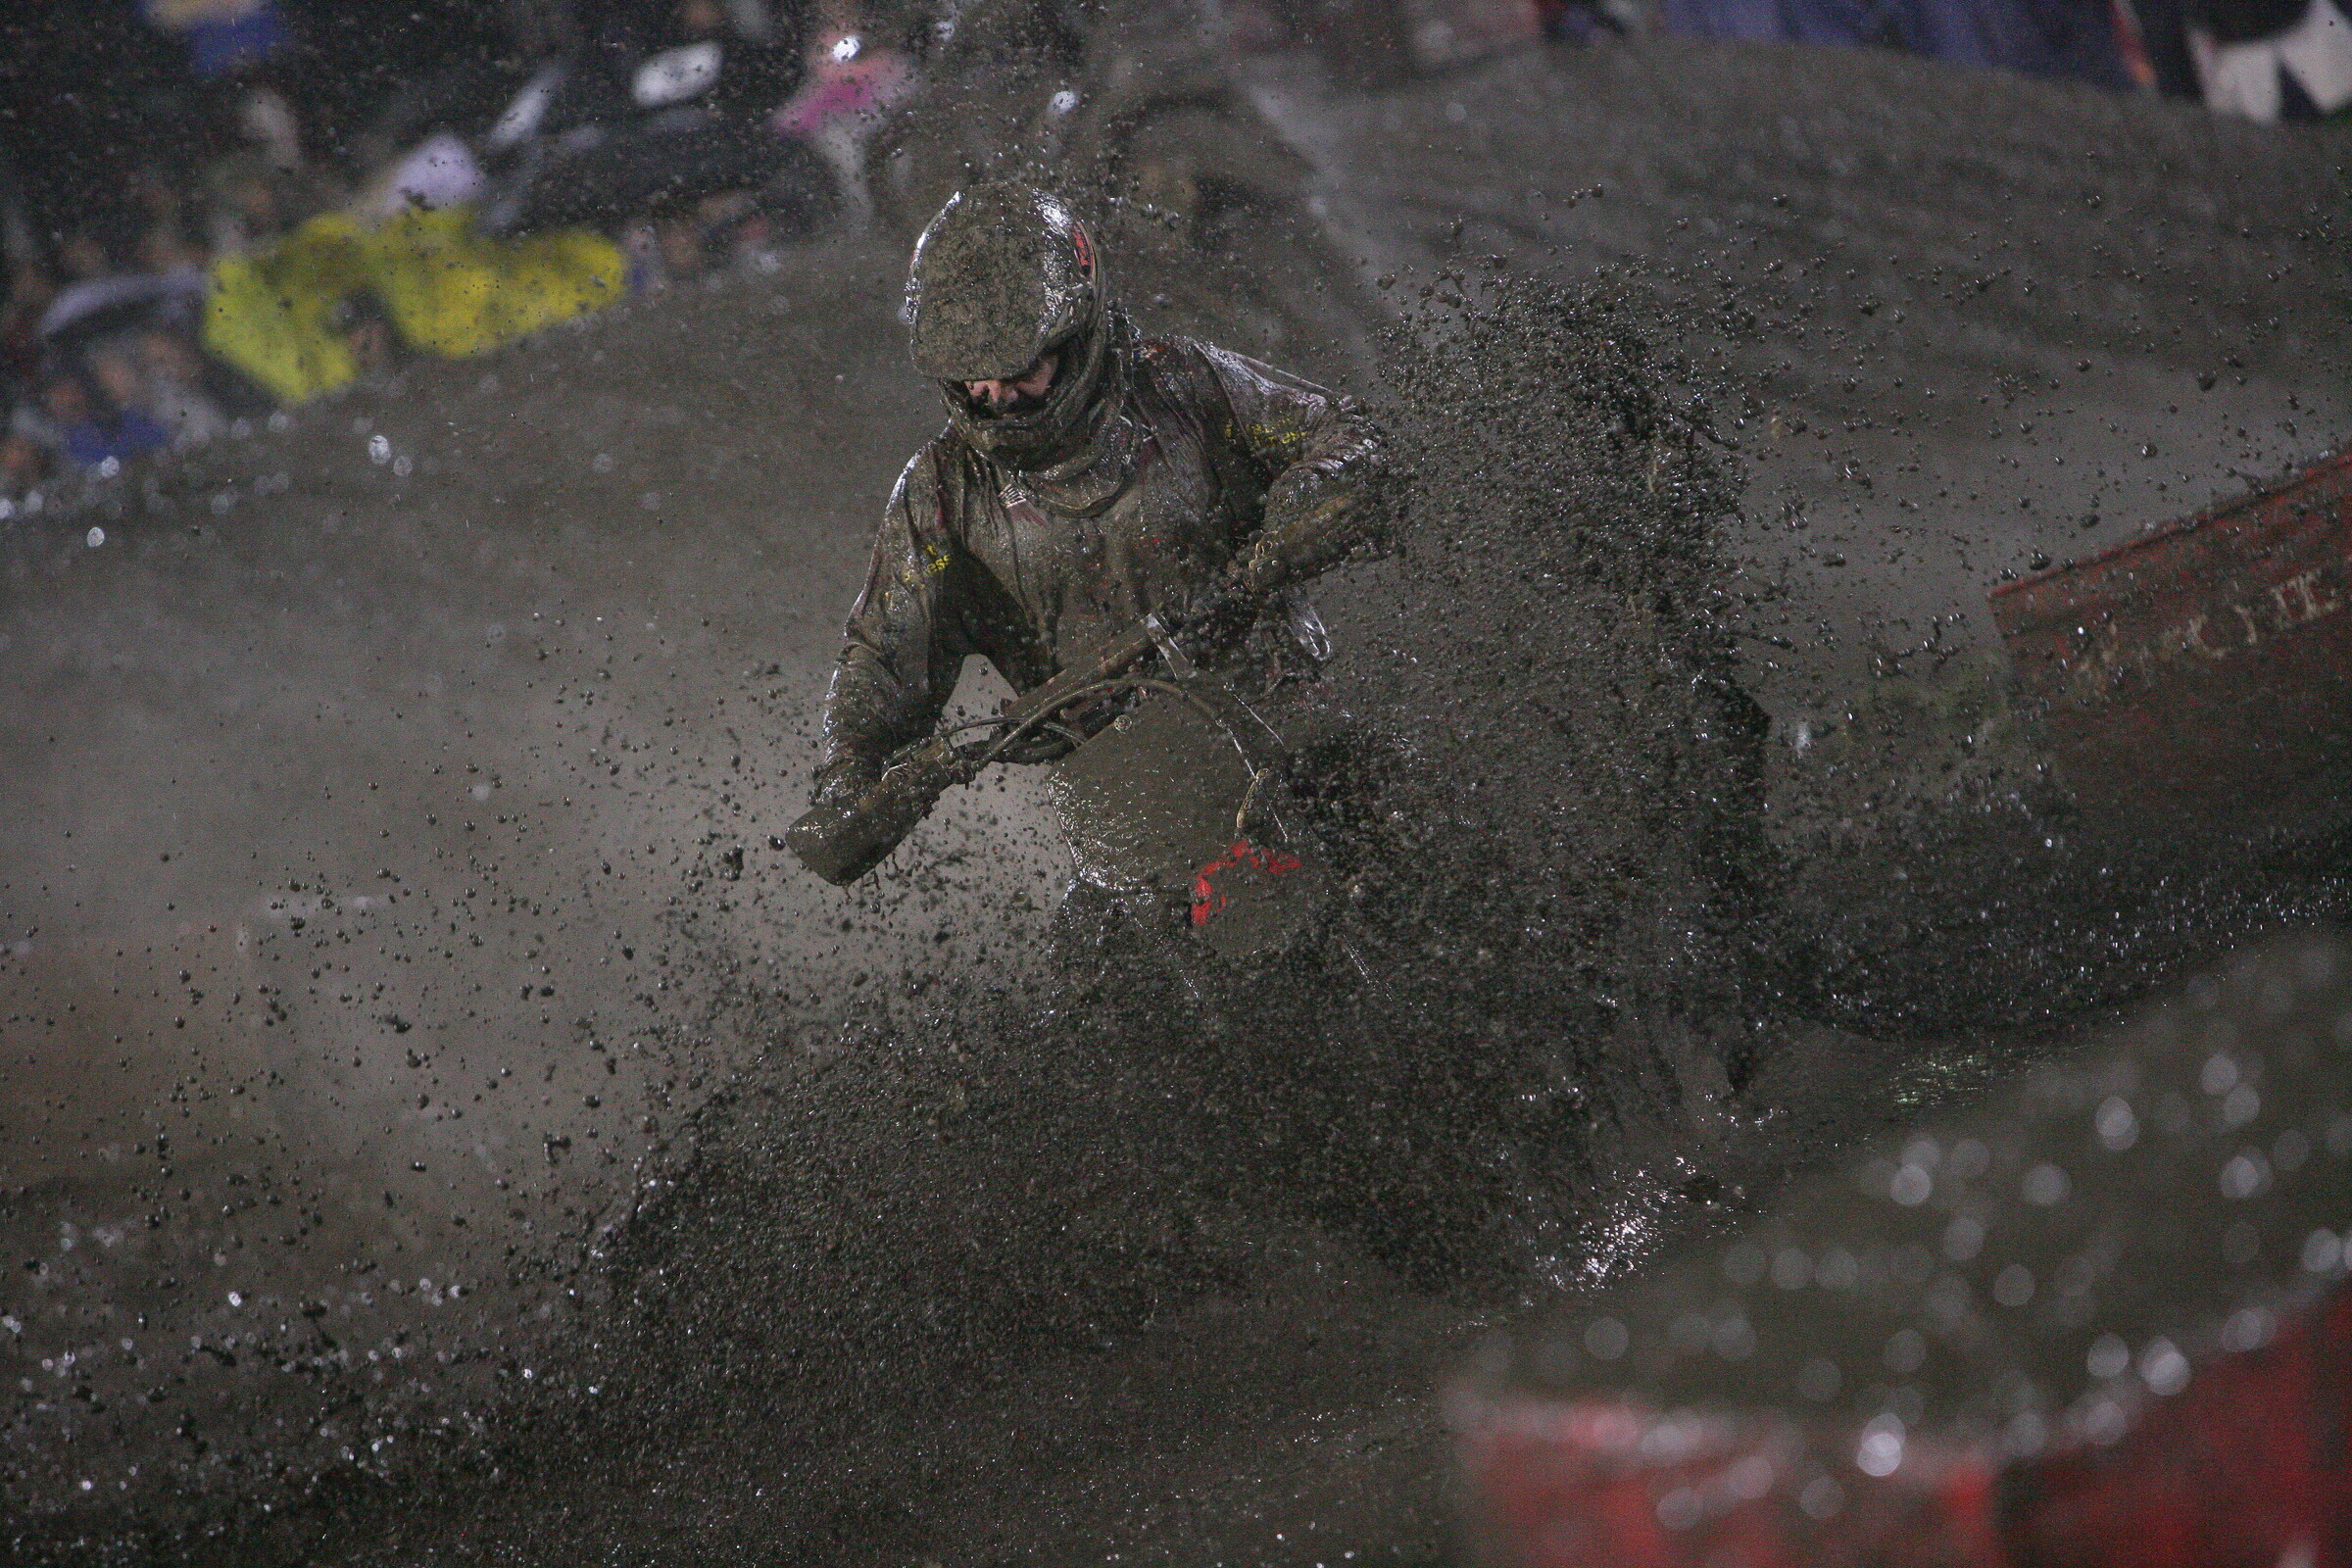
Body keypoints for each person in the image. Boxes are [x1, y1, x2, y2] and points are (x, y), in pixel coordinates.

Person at [805, 180, 1383, 865]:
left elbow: (1350, 435)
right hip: (1130, 807)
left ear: (1075, 334)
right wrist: (851, 780)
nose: (994, 394)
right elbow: (882, 657)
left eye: (1021, 366)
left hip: (1294, 728)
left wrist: (1295, 523)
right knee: (1095, 961)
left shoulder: (1183, 384)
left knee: (1418, 852)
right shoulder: (941, 495)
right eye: (970, 375)